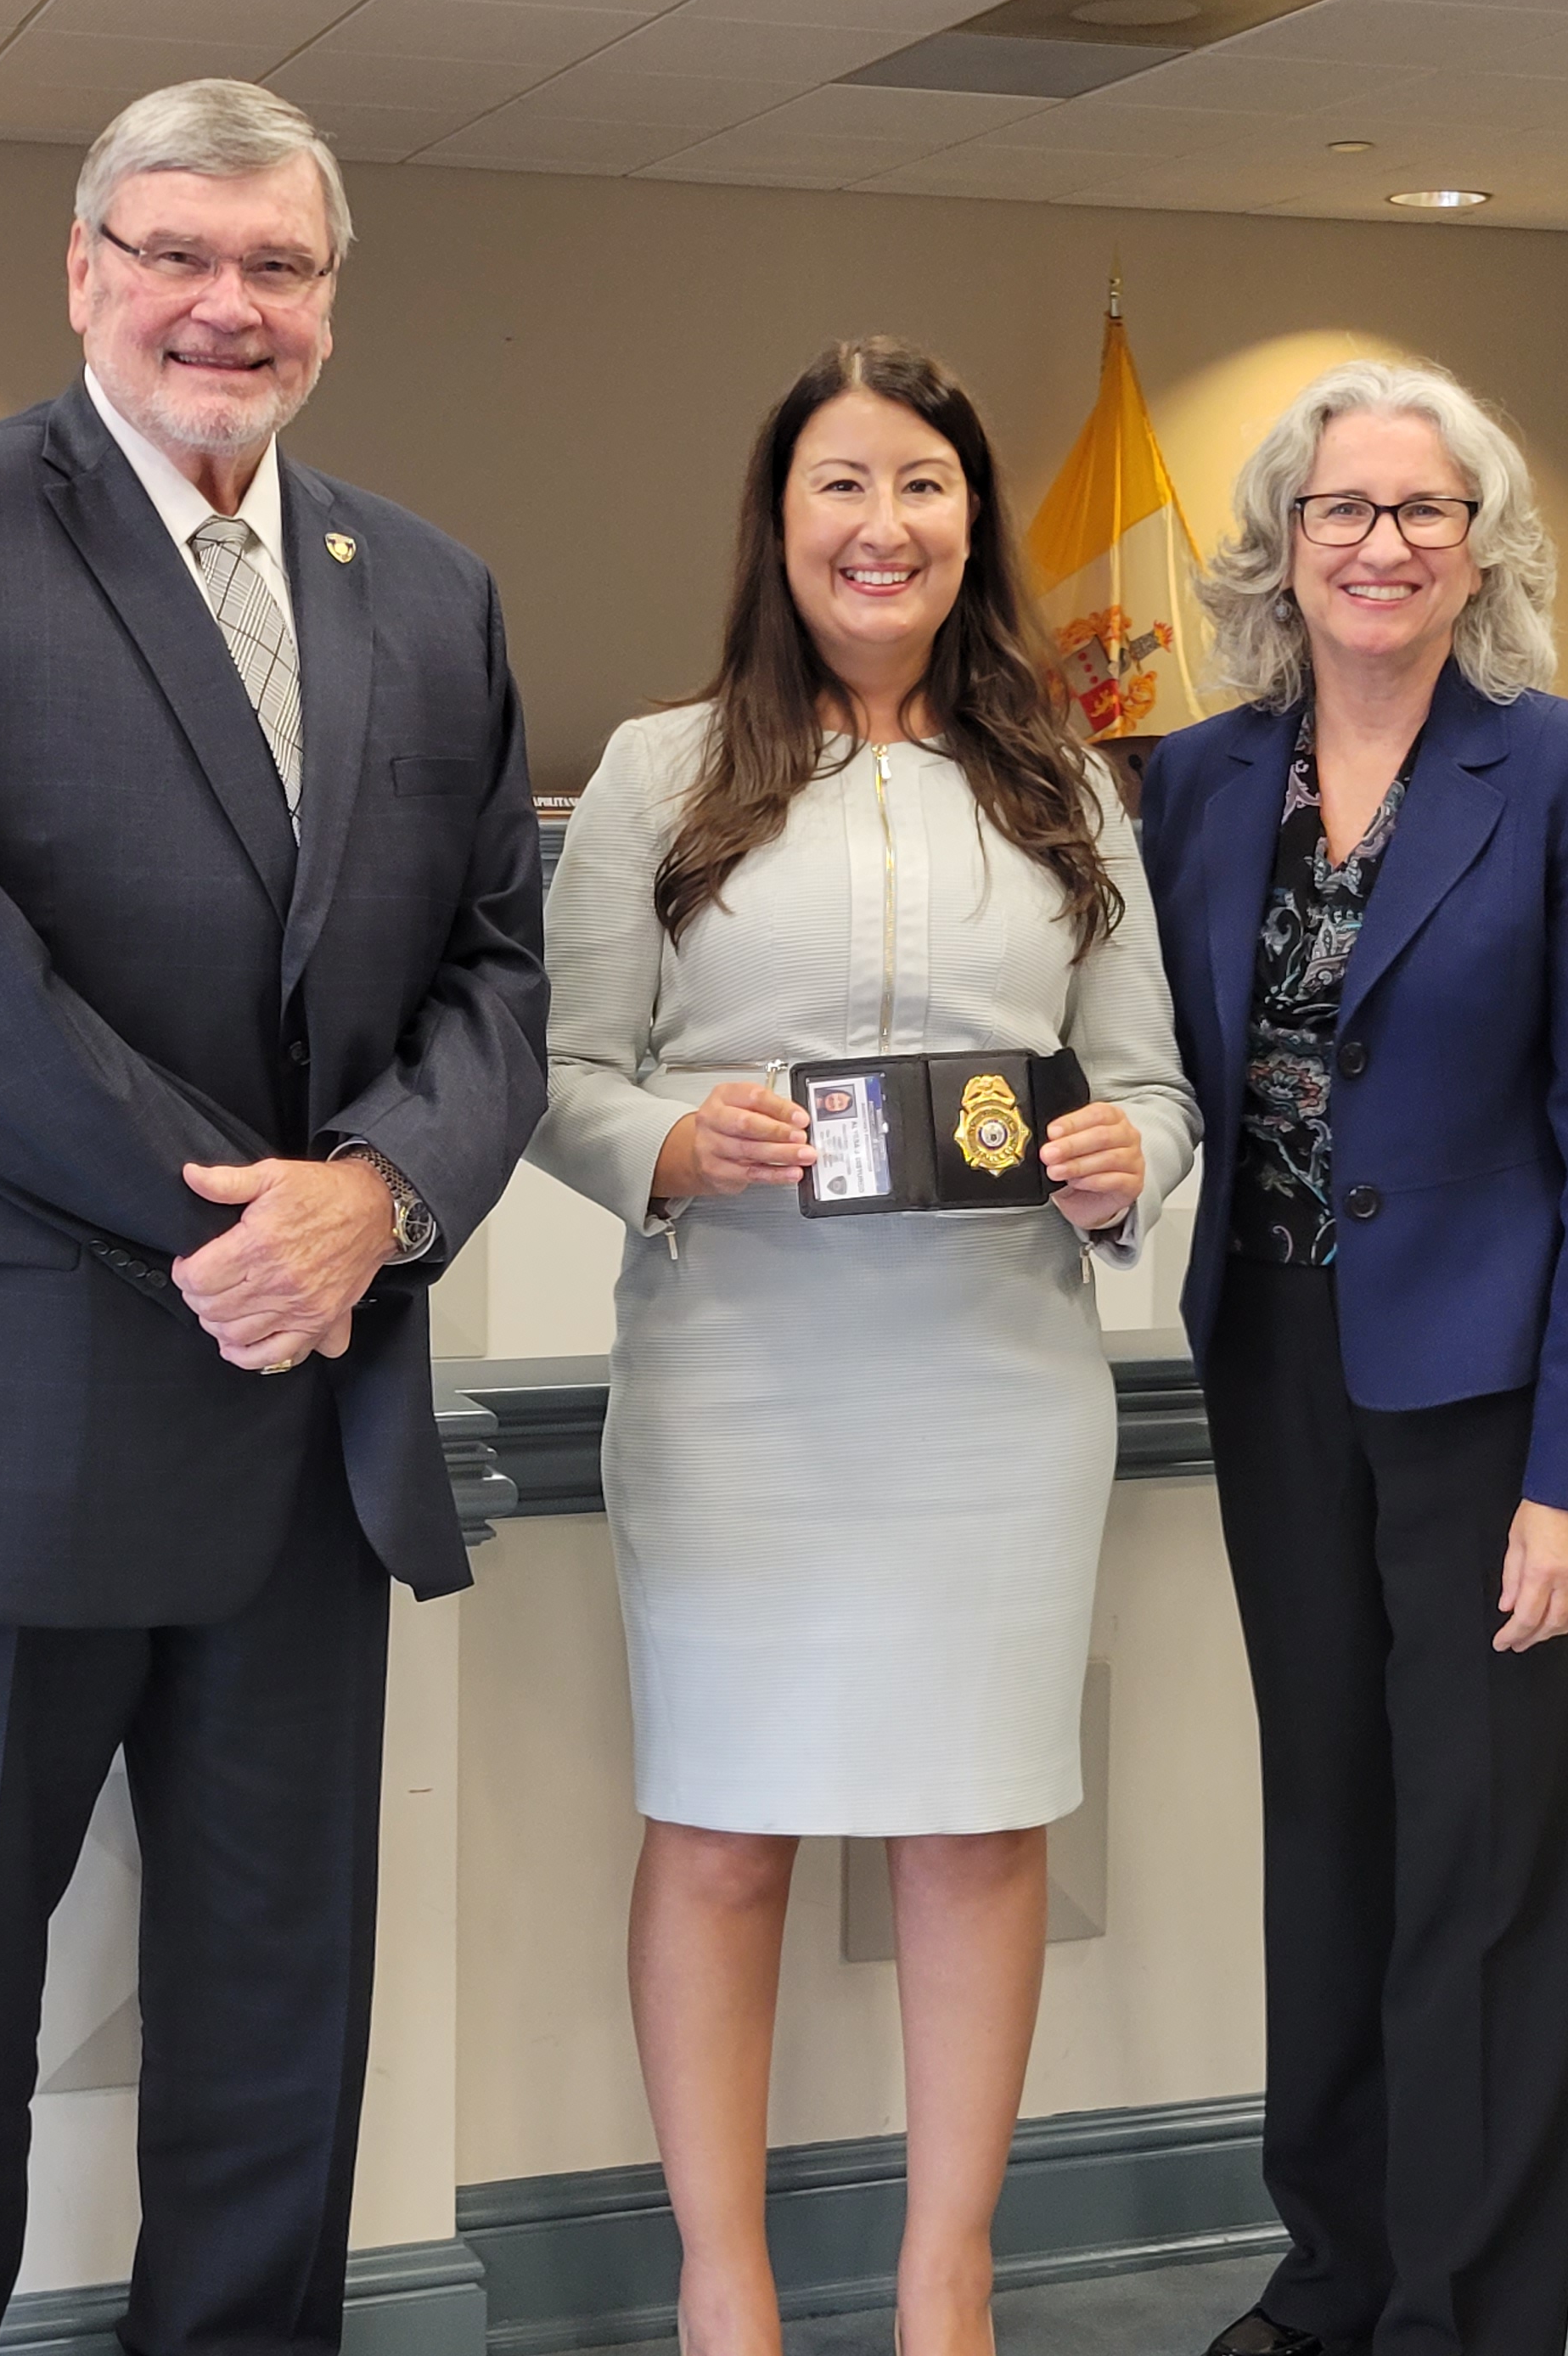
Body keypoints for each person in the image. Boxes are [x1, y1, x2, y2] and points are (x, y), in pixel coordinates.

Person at [0, 79, 548, 2356]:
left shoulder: (425, 589)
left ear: (329, 298)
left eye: (279, 266)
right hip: (1, 1425)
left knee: (276, 2039)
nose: (230, 305)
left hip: (307, 1441)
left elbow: (499, 967)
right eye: (181, 254)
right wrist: (251, 1225)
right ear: (87, 269)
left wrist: (381, 1200)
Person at [529, 338, 1200, 2356]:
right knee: (722, 1827)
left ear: (971, 521)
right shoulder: (658, 774)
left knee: (980, 1823)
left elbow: (1159, 1089)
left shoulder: (1069, 782)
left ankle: (946, 2290)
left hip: (995, 1385)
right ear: (781, 518)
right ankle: (722, 2293)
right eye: (841, 484)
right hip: (740, 1378)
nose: (881, 524)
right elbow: (560, 1076)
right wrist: (670, 1140)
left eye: (920, 484)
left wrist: (1116, 1155)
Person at [1133, 360, 1568, 2356]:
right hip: (1277, 1369)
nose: (1379, 546)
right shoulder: (1197, 779)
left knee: (1492, 1883)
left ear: (1482, 551)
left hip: (1490, 1409)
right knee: (1334, 1844)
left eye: (1421, 512)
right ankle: (1336, 2278)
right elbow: (1152, 1065)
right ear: (1282, 547)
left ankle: (1466, 2314)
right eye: (1341, 511)